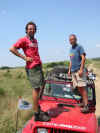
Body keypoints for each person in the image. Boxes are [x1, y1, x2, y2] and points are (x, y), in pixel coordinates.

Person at [9, 21, 50, 121]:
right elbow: (12, 48)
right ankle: (37, 114)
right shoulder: (23, 40)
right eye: (29, 28)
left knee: (41, 87)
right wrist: (24, 58)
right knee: (36, 89)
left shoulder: (35, 40)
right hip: (32, 67)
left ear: (35, 30)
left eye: (33, 28)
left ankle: (38, 109)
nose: (31, 30)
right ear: (26, 30)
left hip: (37, 66)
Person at [68, 34, 89, 113]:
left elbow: (83, 58)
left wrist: (81, 69)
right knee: (79, 88)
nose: (71, 41)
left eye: (73, 39)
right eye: (70, 39)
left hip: (79, 71)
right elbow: (71, 60)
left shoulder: (79, 47)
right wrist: (69, 69)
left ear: (76, 39)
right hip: (73, 71)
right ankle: (83, 102)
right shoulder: (70, 49)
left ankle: (86, 106)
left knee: (83, 88)